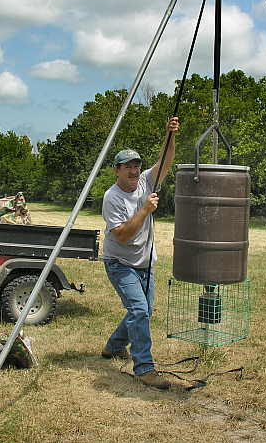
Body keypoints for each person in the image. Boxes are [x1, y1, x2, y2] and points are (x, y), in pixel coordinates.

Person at [101, 116, 179, 389]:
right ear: (117, 170)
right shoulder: (113, 197)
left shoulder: (147, 181)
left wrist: (169, 135)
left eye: (136, 167)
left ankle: (113, 346)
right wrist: (144, 209)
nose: (134, 172)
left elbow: (165, 163)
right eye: (128, 167)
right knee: (139, 311)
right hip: (120, 263)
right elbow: (122, 234)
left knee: (143, 310)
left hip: (145, 262)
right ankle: (144, 368)